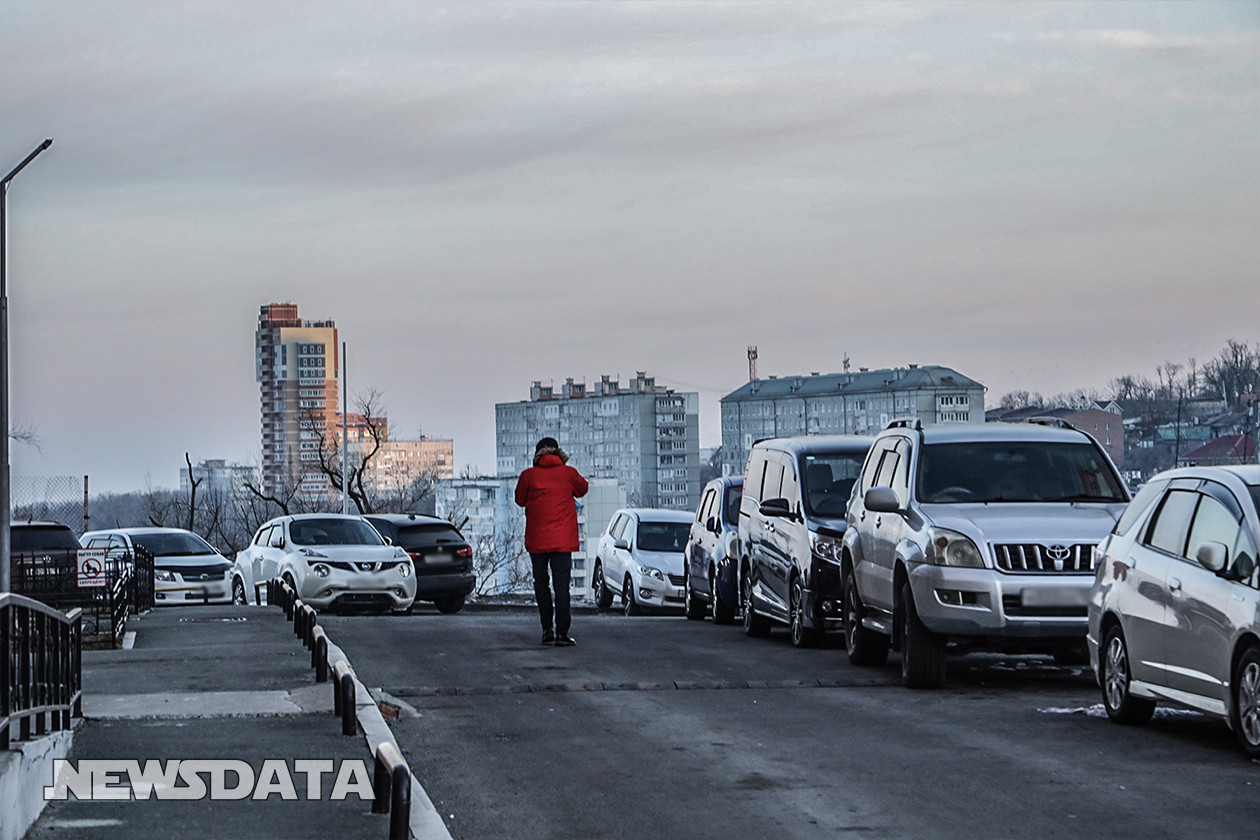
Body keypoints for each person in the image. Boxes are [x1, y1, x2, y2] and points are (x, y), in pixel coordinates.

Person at [515, 436, 588, 646]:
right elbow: (583, 489)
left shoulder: (528, 476)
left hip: (537, 541)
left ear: (537, 454)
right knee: (562, 586)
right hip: (563, 541)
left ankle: (547, 629)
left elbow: (520, 500)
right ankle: (562, 633)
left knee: (541, 585)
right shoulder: (568, 474)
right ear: (557, 452)